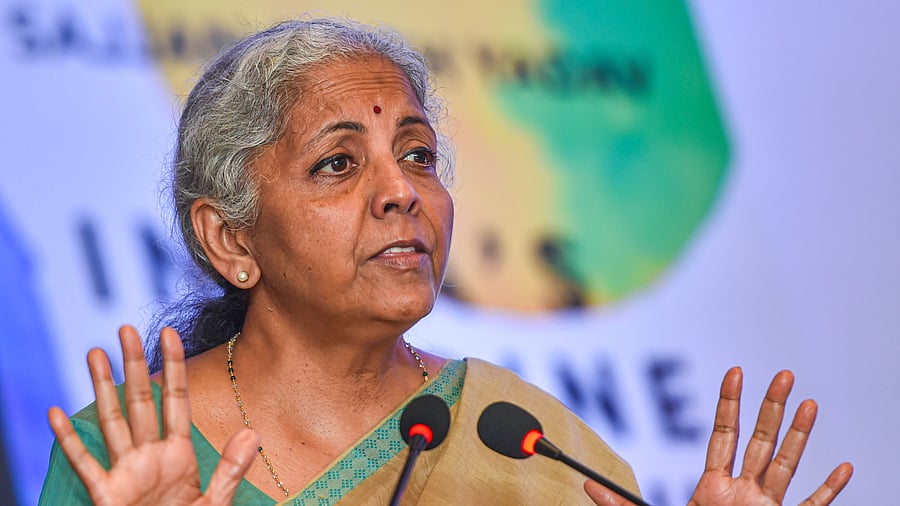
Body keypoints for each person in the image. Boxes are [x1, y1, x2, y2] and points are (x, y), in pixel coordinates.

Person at [39, 18, 852, 505]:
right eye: (338, 164)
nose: (403, 193)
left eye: (420, 156)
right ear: (231, 240)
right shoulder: (131, 456)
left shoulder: (522, 443)